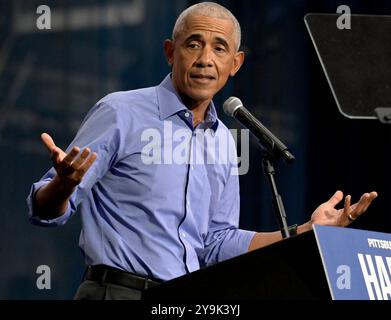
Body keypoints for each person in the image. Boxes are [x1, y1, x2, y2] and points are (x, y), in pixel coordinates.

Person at [27, 2, 377, 300]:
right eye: (193, 44)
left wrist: (305, 234)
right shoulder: (121, 112)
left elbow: (217, 242)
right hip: (118, 292)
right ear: (170, 52)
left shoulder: (224, 140)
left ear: (235, 64)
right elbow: (44, 209)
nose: (205, 59)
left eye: (219, 48)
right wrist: (65, 184)